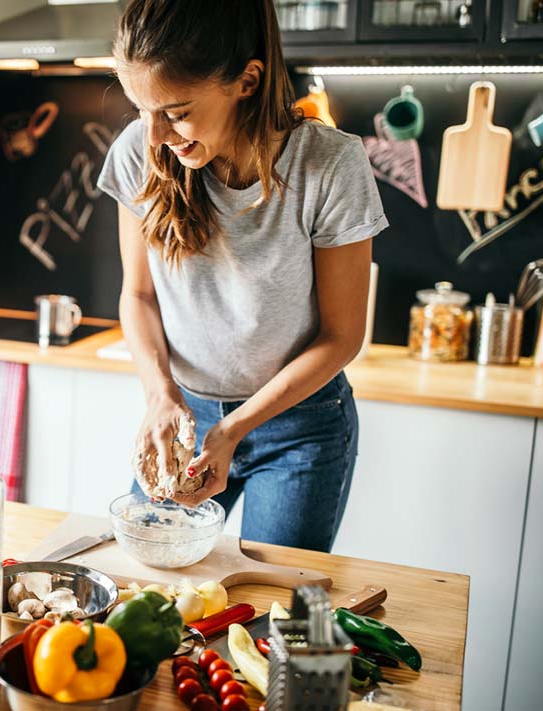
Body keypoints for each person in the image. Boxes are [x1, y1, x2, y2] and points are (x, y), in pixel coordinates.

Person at [97, 0, 387, 553]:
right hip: (184, 413)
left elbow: (342, 336)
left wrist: (233, 430)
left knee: (274, 609)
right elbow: (137, 295)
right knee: (151, 582)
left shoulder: (328, 165)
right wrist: (160, 395)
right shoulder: (139, 152)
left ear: (247, 81)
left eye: (176, 112)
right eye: (141, 110)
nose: (154, 135)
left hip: (300, 427)